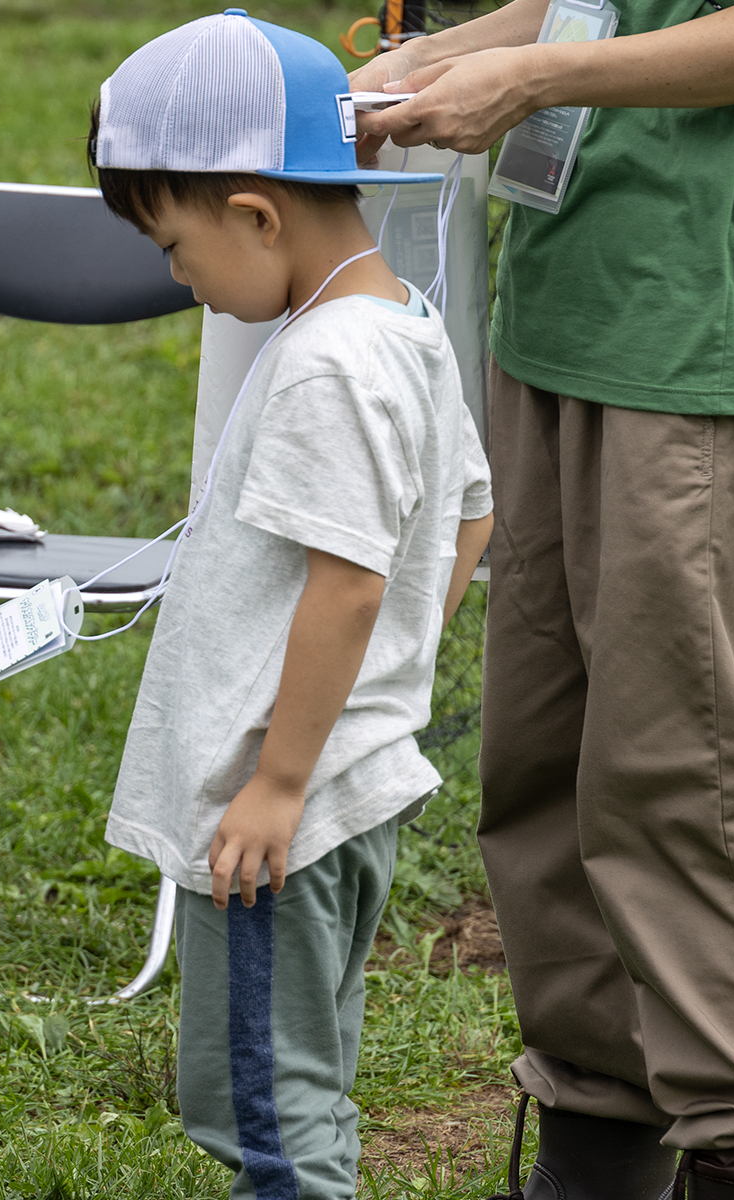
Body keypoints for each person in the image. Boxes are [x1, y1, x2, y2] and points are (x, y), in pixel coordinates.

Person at [348, 2, 734, 1197]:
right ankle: (596, 1145)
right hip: (552, 336)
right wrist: (432, 62)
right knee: (545, 785)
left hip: (700, 352)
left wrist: (533, 82)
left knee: (702, 804)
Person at [91, 13, 495, 1199]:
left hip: (285, 813)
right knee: (307, 1075)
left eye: (174, 247)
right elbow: (469, 512)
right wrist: (389, 674)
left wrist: (274, 779)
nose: (181, 280)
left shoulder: (326, 364)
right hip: (353, 783)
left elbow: (349, 580)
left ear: (254, 214)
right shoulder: (405, 327)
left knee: (262, 1114)